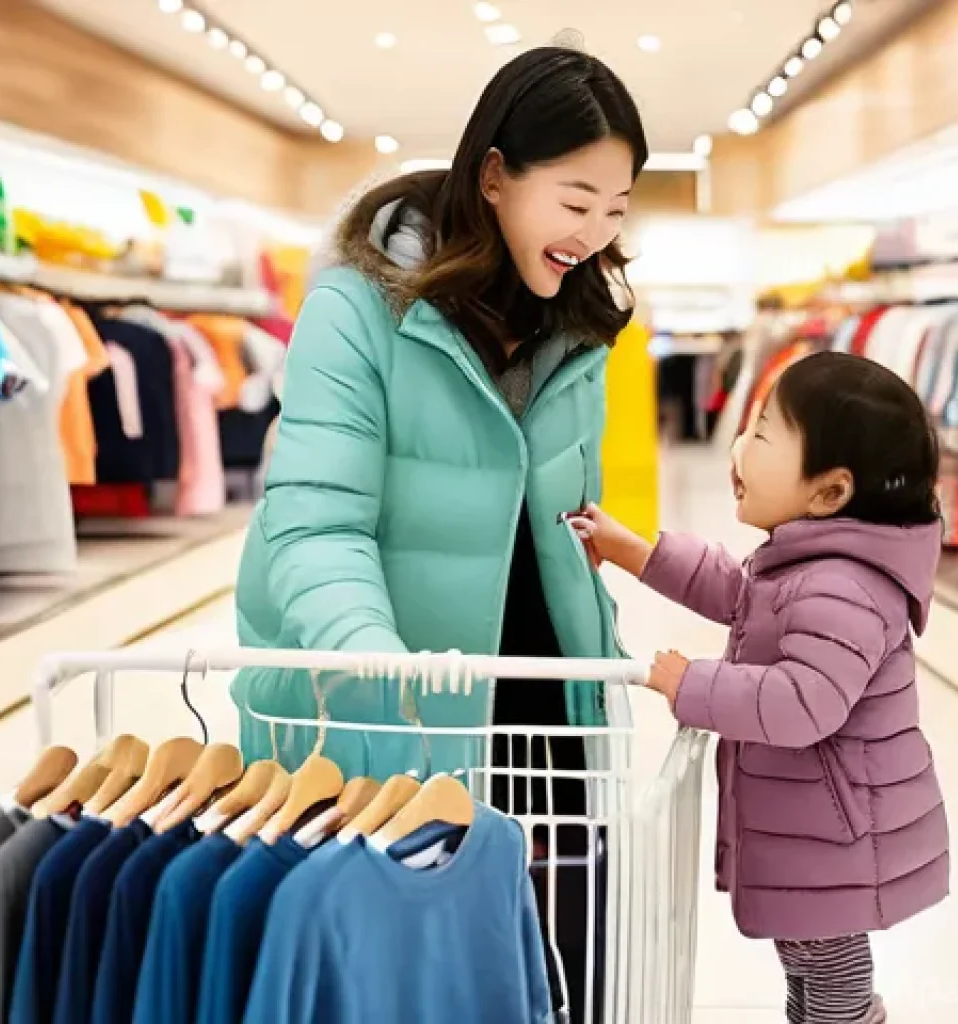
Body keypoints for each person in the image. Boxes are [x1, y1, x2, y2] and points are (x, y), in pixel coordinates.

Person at [233, 46, 648, 1020]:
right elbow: (315, 523)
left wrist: (611, 639)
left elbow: (556, 526)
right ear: (495, 176)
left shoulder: (578, 321)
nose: (594, 233)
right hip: (382, 706)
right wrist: (378, 664)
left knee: (552, 965)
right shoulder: (357, 309)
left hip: (538, 710)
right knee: (399, 981)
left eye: (618, 208)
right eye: (575, 199)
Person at [571, 351, 950, 1024]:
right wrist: (637, 552)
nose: (738, 447)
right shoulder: (813, 565)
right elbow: (739, 592)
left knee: (831, 974)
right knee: (809, 964)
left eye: (763, 434)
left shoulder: (845, 586)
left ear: (830, 492)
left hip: (837, 837)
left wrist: (693, 684)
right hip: (817, 828)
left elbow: (804, 702)